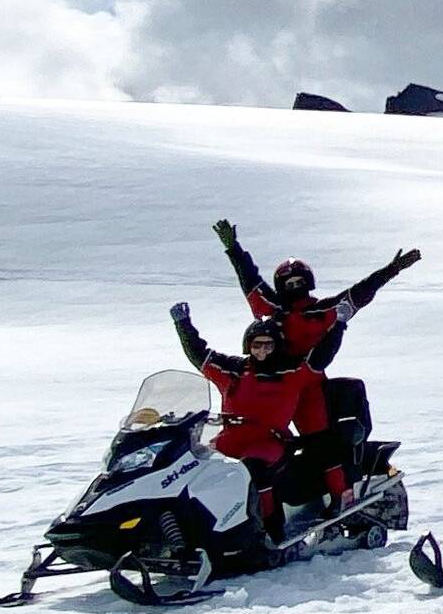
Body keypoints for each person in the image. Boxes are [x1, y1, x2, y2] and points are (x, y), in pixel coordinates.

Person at [168, 302, 337, 533]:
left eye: (268, 345)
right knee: (194, 467)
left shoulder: (292, 371)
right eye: (257, 345)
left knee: (252, 469)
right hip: (230, 439)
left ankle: (269, 527)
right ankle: (197, 528)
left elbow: (322, 355)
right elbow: (199, 354)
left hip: (270, 441)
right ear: (248, 346)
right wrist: (182, 324)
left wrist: (339, 325)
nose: (263, 351)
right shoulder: (233, 370)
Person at [211, 218, 420, 371]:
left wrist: (392, 269)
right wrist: (233, 248)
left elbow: (360, 292)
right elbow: (248, 276)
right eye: (290, 284)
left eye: (299, 282)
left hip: (306, 378)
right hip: (264, 373)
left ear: (308, 283)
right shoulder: (269, 305)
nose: (295, 287)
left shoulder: (323, 311)